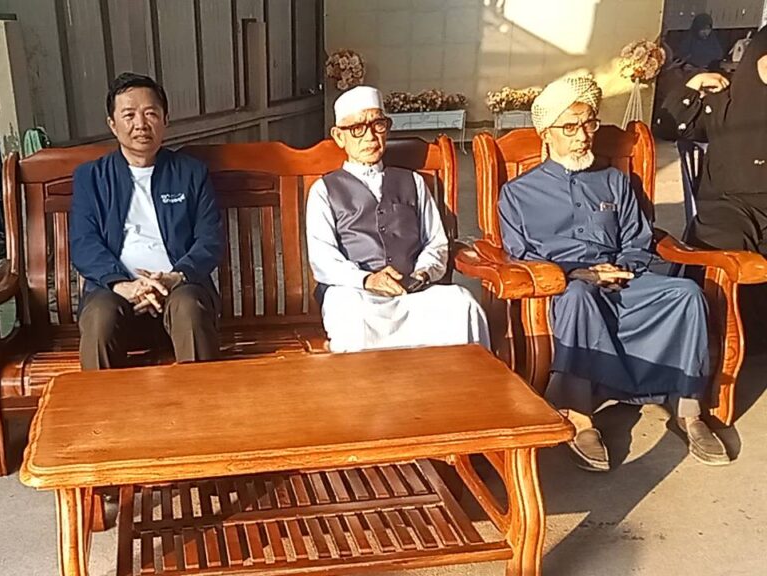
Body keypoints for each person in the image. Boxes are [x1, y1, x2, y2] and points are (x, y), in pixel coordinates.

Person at [499, 75, 729, 472]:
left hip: (624, 277)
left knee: (685, 294)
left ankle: (689, 411)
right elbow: (521, 254)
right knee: (579, 298)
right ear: (546, 133)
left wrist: (622, 269)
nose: (583, 136)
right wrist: (577, 273)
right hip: (566, 285)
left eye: (589, 124)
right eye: (570, 127)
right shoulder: (518, 193)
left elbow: (638, 238)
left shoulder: (614, 180)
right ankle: (579, 416)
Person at [306, 86, 488, 353]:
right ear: (339, 136)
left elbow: (436, 242)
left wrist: (422, 273)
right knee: (352, 315)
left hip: (414, 290)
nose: (370, 136)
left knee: (462, 304)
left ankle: (457, 382)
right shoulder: (324, 190)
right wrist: (367, 280)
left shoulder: (413, 182)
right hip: (357, 293)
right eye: (357, 128)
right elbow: (323, 259)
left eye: (378, 124)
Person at [71, 73, 223, 370]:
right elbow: (83, 243)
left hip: (179, 288)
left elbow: (210, 239)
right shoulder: (91, 177)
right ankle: (99, 401)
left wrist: (174, 278)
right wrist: (123, 285)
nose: (141, 124)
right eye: (129, 115)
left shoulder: (191, 173)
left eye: (150, 113)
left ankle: (203, 398)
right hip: (114, 292)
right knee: (99, 317)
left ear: (166, 119)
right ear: (112, 124)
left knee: (189, 307)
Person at [659, 26, 767, 340]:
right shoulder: (722, 102)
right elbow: (667, 126)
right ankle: (726, 339)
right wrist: (692, 85)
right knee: (731, 254)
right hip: (727, 206)